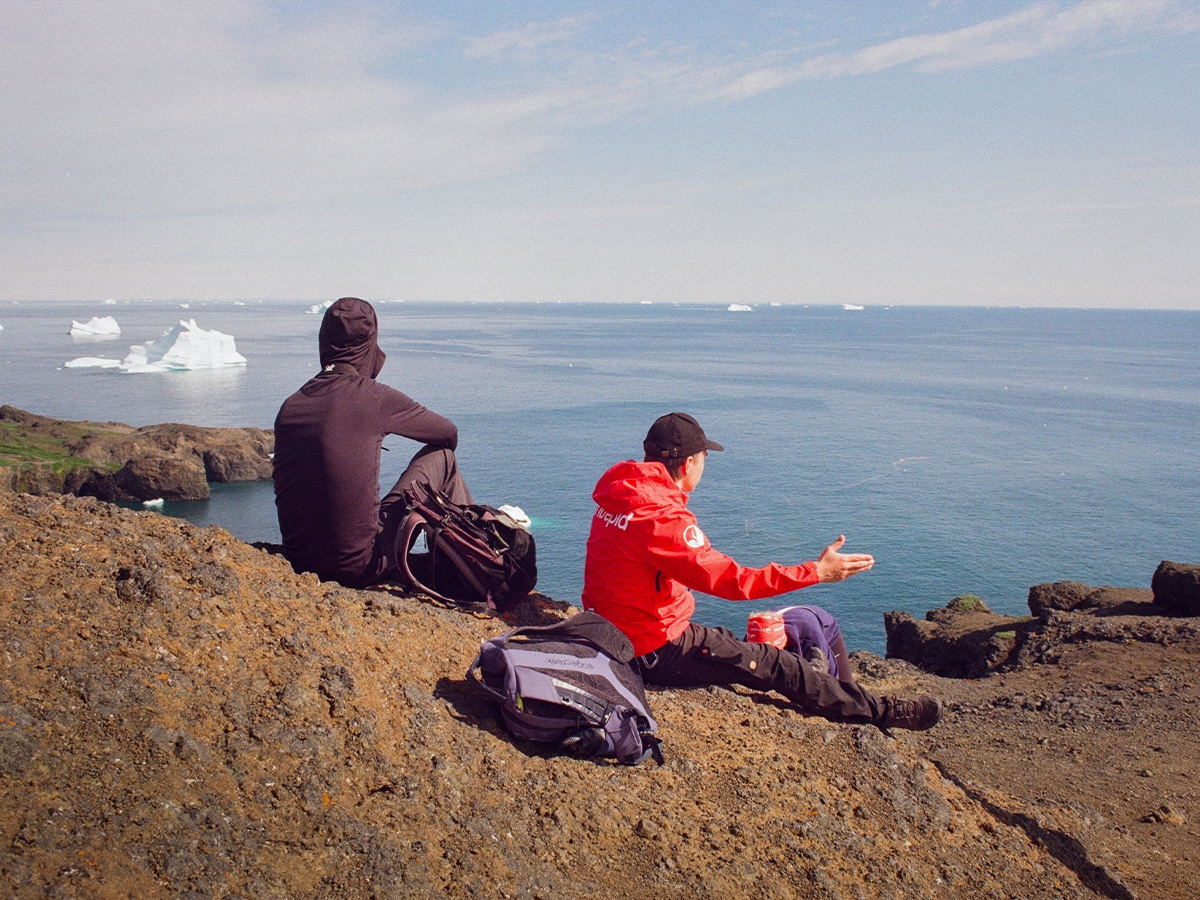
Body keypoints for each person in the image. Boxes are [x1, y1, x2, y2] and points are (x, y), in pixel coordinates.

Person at [581, 412, 941, 731]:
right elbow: (735, 582)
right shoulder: (662, 517)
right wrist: (816, 571)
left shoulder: (623, 495)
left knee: (733, 642)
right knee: (775, 665)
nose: (705, 464)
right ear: (688, 464)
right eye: (704, 457)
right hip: (650, 649)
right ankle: (882, 711)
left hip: (611, 632)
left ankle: (818, 674)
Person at [273, 297, 472, 588]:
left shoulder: (291, 405)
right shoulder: (371, 397)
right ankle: (466, 566)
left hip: (300, 562)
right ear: (369, 345)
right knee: (442, 457)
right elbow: (447, 434)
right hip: (360, 566)